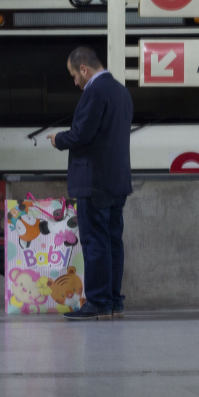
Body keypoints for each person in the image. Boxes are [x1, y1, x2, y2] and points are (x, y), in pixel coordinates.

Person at [48, 46, 132, 321]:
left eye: (74, 75)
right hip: (117, 180)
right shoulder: (121, 90)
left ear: (84, 70)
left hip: (94, 181)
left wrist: (58, 139)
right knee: (112, 242)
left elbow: (81, 134)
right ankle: (113, 302)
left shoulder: (94, 92)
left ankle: (97, 302)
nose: (75, 82)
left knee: (95, 243)